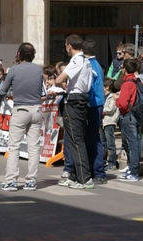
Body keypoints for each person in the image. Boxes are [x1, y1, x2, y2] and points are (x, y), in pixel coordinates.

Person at [0, 42, 43, 191]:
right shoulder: (38, 70)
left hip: (20, 108)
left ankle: (11, 181)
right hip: (36, 109)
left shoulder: (13, 70)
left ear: (19, 54)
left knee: (14, 146)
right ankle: (31, 181)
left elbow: (3, 90)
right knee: (34, 147)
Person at [55, 34, 94, 189]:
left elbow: (60, 78)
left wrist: (60, 83)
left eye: (66, 46)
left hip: (75, 101)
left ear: (69, 45)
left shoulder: (77, 60)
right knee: (73, 139)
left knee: (76, 140)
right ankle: (75, 176)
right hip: (80, 98)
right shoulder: (86, 61)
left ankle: (84, 178)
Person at [82, 39, 107, 184]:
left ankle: (98, 172)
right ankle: (94, 170)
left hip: (93, 104)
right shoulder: (96, 64)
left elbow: (88, 86)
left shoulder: (89, 66)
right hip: (96, 104)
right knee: (92, 137)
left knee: (93, 138)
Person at [113, 58, 142, 182]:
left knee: (132, 144)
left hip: (128, 115)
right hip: (136, 114)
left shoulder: (127, 84)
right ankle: (133, 169)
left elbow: (123, 104)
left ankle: (134, 171)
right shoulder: (137, 81)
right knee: (134, 143)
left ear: (124, 69)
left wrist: (116, 99)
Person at [100, 78, 119, 171]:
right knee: (102, 142)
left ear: (107, 87)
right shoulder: (102, 96)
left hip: (109, 121)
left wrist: (102, 111)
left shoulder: (112, 96)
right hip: (102, 122)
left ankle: (112, 162)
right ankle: (103, 160)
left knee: (110, 143)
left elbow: (111, 109)